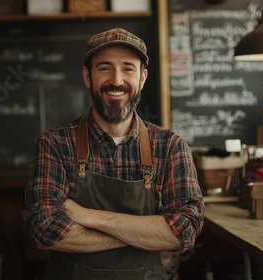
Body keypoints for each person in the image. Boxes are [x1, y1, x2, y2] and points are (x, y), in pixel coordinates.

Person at [24, 27, 204, 280]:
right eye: (104, 68)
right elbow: (46, 230)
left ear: (142, 78)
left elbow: (183, 232)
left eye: (128, 68)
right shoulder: (55, 143)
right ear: (88, 76)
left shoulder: (170, 146)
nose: (117, 80)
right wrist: (143, 234)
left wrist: (89, 217)